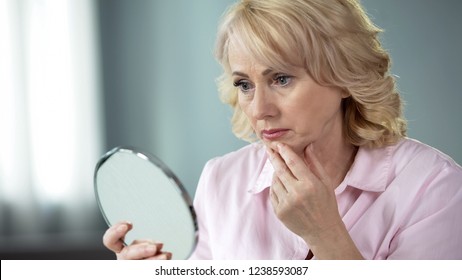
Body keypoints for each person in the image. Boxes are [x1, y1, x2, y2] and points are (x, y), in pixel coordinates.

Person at [103, 0, 462, 260]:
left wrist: (326, 235)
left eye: (281, 78)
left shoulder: (433, 187)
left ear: (344, 77)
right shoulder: (221, 180)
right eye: (244, 84)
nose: (260, 109)